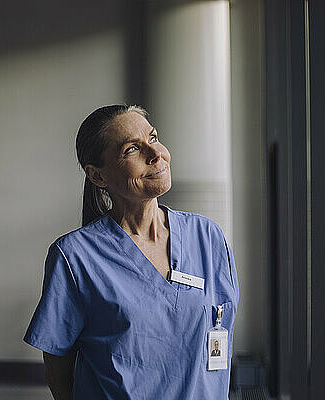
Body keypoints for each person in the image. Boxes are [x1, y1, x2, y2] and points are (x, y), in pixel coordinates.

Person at [23, 104, 239, 399]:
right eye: (131, 150)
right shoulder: (75, 257)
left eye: (153, 138)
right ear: (98, 176)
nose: (156, 154)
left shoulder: (208, 238)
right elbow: (58, 373)